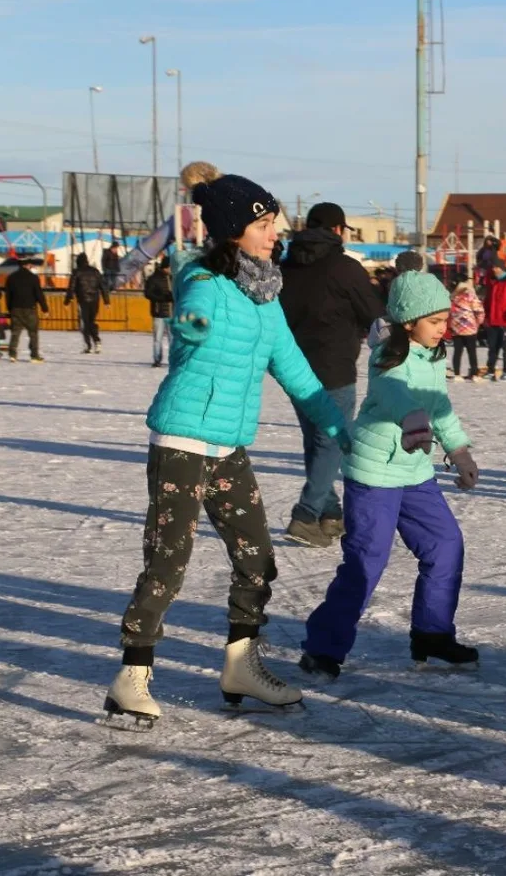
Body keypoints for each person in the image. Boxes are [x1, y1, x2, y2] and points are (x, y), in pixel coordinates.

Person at [105, 161, 352, 728]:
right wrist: (189, 323)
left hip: (227, 450)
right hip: (182, 442)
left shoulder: (267, 301)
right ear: (236, 228)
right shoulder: (205, 282)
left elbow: (299, 376)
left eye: (275, 224)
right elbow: (191, 311)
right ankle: (131, 676)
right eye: (266, 224)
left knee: (257, 559)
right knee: (168, 560)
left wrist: (341, 430)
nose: (275, 233)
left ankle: (241, 665)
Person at [301, 271, 480, 680]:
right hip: (375, 472)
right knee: (367, 560)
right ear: (408, 322)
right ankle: (323, 647)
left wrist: (459, 451)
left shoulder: (432, 355)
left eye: (444, 319)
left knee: (445, 545)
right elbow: (394, 392)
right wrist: (413, 420)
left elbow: (439, 406)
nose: (443, 329)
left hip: (415, 470)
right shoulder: (388, 356)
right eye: (435, 322)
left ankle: (432, 634)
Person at [278, 201, 386, 549]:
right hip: (335, 367)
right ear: (338, 230)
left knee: (316, 442)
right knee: (332, 442)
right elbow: (375, 314)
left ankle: (331, 514)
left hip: (294, 367)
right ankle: (307, 514)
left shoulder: (285, 267)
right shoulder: (345, 268)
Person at [3, 257, 48, 363]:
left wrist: (10, 308)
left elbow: (8, 295)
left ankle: (12, 355)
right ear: (28, 265)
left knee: (15, 332)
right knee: (33, 333)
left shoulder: (11, 278)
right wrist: (44, 308)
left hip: (15, 308)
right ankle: (34, 356)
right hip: (30, 308)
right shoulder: (33, 277)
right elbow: (38, 294)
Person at [65, 252, 110, 354]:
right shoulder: (95, 271)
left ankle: (89, 344)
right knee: (91, 321)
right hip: (95, 300)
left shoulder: (77, 272)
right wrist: (106, 301)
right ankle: (96, 342)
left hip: (83, 301)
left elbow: (71, 287)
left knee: (84, 323)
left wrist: (67, 300)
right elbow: (103, 286)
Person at [449, 273, 486, 381]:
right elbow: (479, 310)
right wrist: (478, 323)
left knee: (457, 352)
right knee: (472, 352)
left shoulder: (453, 296)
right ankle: (474, 374)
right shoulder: (470, 295)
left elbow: (449, 312)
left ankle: (457, 374)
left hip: (456, 327)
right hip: (469, 327)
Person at [144, 257, 175, 367]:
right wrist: (162, 297)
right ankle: (157, 359)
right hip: (159, 313)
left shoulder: (172, 278)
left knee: (173, 339)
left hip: (172, 312)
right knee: (158, 338)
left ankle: (173, 360)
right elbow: (148, 293)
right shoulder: (153, 278)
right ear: (166, 267)